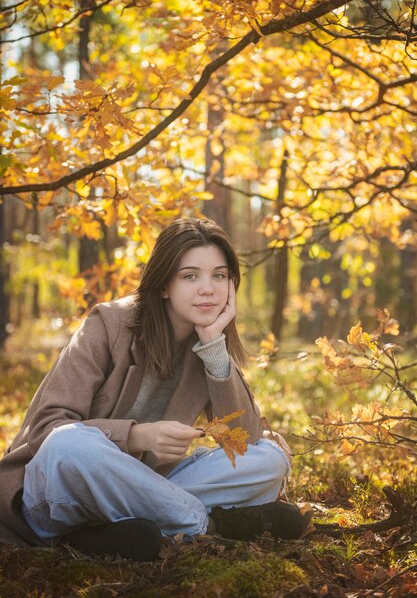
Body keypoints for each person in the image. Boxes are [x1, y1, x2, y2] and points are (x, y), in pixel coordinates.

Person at [0, 217, 309, 560]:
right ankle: (209, 527)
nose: (208, 288)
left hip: (142, 487)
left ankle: (111, 535)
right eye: (190, 275)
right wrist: (137, 437)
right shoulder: (108, 324)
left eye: (219, 275)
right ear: (164, 285)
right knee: (70, 442)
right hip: (58, 490)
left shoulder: (206, 342)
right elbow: (46, 431)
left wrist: (215, 349)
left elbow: (245, 440)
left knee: (269, 457)